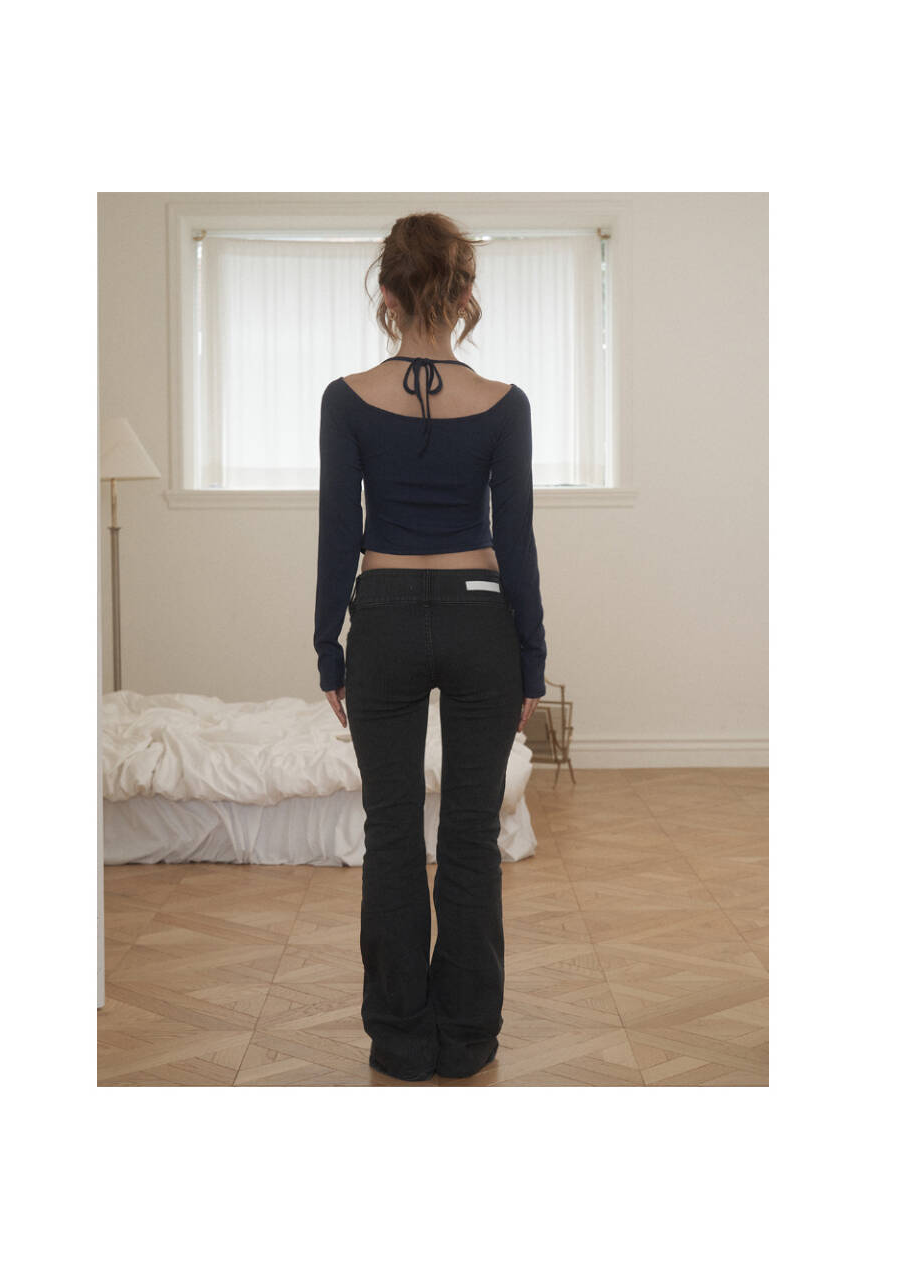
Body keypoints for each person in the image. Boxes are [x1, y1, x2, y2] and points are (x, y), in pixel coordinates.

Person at [313, 211, 547, 1082]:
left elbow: (340, 534)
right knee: (472, 836)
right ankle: (469, 1036)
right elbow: (515, 540)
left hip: (381, 615)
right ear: (463, 292)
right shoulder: (504, 405)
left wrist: (328, 645)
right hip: (482, 616)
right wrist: (533, 656)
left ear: (386, 292)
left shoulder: (345, 400)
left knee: (391, 832)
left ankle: (401, 1039)